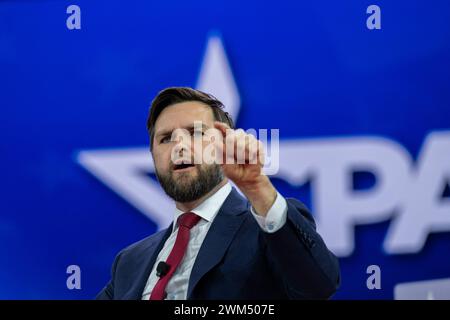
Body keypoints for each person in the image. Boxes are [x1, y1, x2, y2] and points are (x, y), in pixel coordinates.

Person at [96, 87, 340, 300]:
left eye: (195, 132)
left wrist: (257, 187)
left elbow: (318, 286)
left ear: (226, 145)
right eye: (166, 138)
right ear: (153, 156)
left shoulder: (267, 229)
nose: (179, 146)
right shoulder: (129, 262)